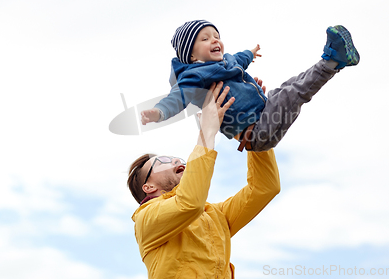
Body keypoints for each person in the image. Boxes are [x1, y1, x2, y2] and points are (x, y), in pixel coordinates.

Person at [128, 82, 280, 278]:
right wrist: (207, 130)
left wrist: (251, 133)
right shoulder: (146, 219)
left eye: (176, 158)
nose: (174, 159)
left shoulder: (215, 215)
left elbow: (265, 187)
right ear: (148, 187)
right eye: (162, 162)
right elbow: (190, 203)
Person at [141, 20, 360, 152]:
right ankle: (333, 61)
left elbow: (239, 58)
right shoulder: (193, 76)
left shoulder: (225, 61)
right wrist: (158, 113)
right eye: (205, 39)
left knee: (289, 85)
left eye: (216, 36)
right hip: (256, 132)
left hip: (263, 111)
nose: (215, 40)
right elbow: (176, 98)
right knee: (295, 93)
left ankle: (332, 60)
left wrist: (251, 53)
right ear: (191, 54)